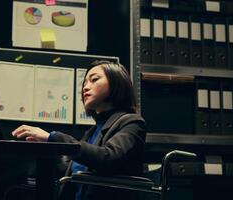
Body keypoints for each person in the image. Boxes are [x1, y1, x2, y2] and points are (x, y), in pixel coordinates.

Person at [12, 60, 146, 200]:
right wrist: (45, 150)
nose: (85, 87)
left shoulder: (133, 122)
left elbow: (108, 158)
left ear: (116, 83)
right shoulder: (92, 132)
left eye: (94, 80)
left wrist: (54, 138)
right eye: (84, 83)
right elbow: (73, 169)